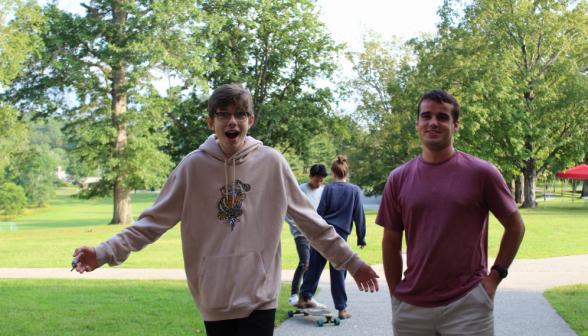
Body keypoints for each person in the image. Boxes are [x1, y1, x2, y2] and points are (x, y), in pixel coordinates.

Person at [71, 84, 379, 336]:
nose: (232, 121)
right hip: (214, 296)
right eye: (223, 114)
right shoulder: (192, 167)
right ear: (211, 122)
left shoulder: (272, 163)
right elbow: (151, 223)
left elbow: (311, 223)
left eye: (240, 114)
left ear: (250, 120)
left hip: (261, 294)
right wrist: (102, 253)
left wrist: (351, 261)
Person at [376, 90, 525, 335]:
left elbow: (515, 226)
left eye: (442, 117)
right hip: (411, 309)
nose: (433, 122)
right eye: (426, 116)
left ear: (455, 126)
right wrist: (396, 298)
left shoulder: (482, 173)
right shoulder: (398, 178)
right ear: (417, 124)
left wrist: (495, 276)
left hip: (468, 305)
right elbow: (390, 243)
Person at [297, 155, 367, 320]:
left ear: (333, 173)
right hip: (340, 236)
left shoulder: (327, 189)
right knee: (338, 271)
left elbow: (320, 212)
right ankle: (342, 309)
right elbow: (359, 215)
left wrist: (314, 234)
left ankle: (303, 298)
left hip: (324, 232)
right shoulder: (355, 190)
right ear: (345, 172)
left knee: (315, 266)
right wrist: (361, 237)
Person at [284, 164, 329, 307]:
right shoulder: (300, 190)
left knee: (312, 264)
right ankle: (294, 295)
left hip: (315, 234)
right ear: (310, 176)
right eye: (316, 180)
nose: (319, 183)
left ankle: (307, 296)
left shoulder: (323, 191)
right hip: (301, 233)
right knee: (305, 262)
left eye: (321, 180)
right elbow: (287, 211)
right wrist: (299, 227)